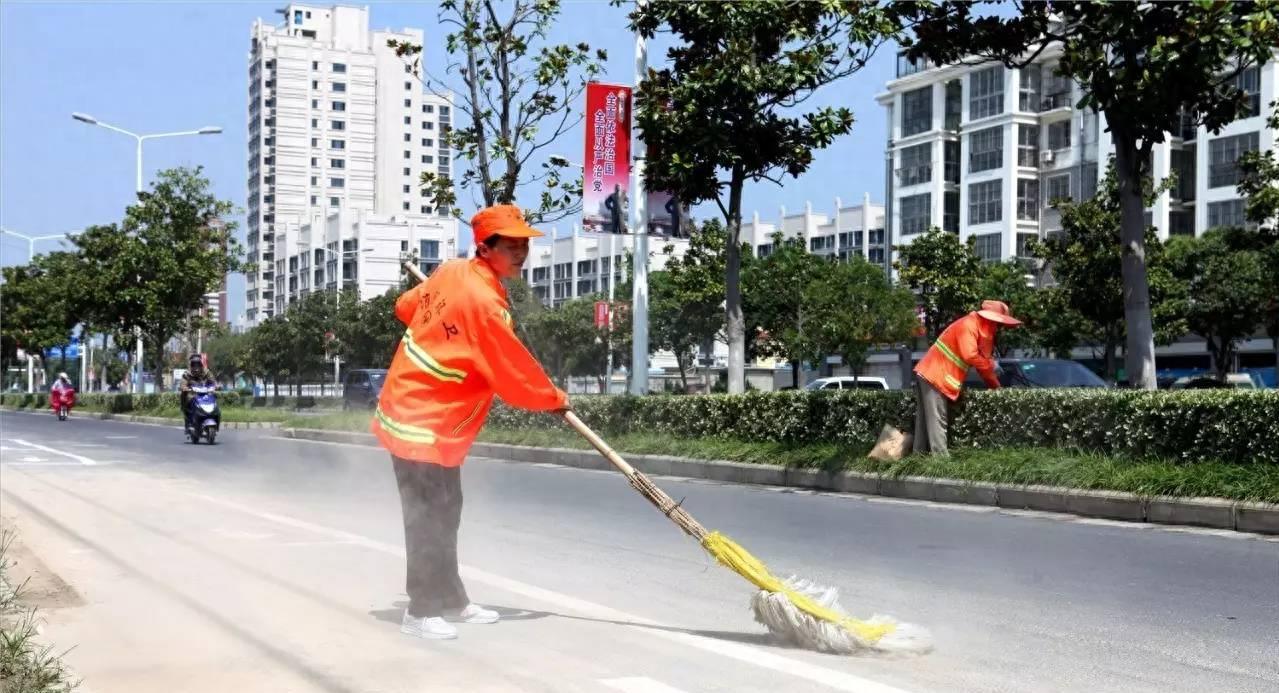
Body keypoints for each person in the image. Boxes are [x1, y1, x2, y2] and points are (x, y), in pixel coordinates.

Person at [374, 203, 570, 641]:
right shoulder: (483, 301)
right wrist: (552, 398)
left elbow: (405, 307)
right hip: (417, 415)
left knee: (447, 509)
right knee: (425, 515)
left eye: (524, 245)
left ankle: (451, 598)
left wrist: (441, 309)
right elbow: (512, 370)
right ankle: (421, 609)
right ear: (485, 247)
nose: (521, 253)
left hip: (436, 417)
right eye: (511, 245)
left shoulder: (451, 272)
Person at [913, 300, 1022, 455]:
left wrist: (995, 385)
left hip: (929, 373)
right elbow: (971, 356)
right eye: (998, 323)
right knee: (938, 420)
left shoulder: (977, 327)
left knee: (925, 423)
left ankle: (919, 459)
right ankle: (941, 463)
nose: (999, 328)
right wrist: (990, 366)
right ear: (990, 319)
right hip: (934, 375)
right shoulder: (969, 326)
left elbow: (982, 363)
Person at [180, 354, 216, 432]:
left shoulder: (206, 372)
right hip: (192, 393)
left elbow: (212, 380)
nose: (196, 368)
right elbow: (183, 383)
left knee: (213, 397)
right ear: (191, 365)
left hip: (205, 392)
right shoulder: (187, 374)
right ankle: (188, 418)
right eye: (194, 365)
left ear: (201, 364)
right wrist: (184, 388)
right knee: (187, 397)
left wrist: (216, 385)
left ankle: (212, 416)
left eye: (198, 365)